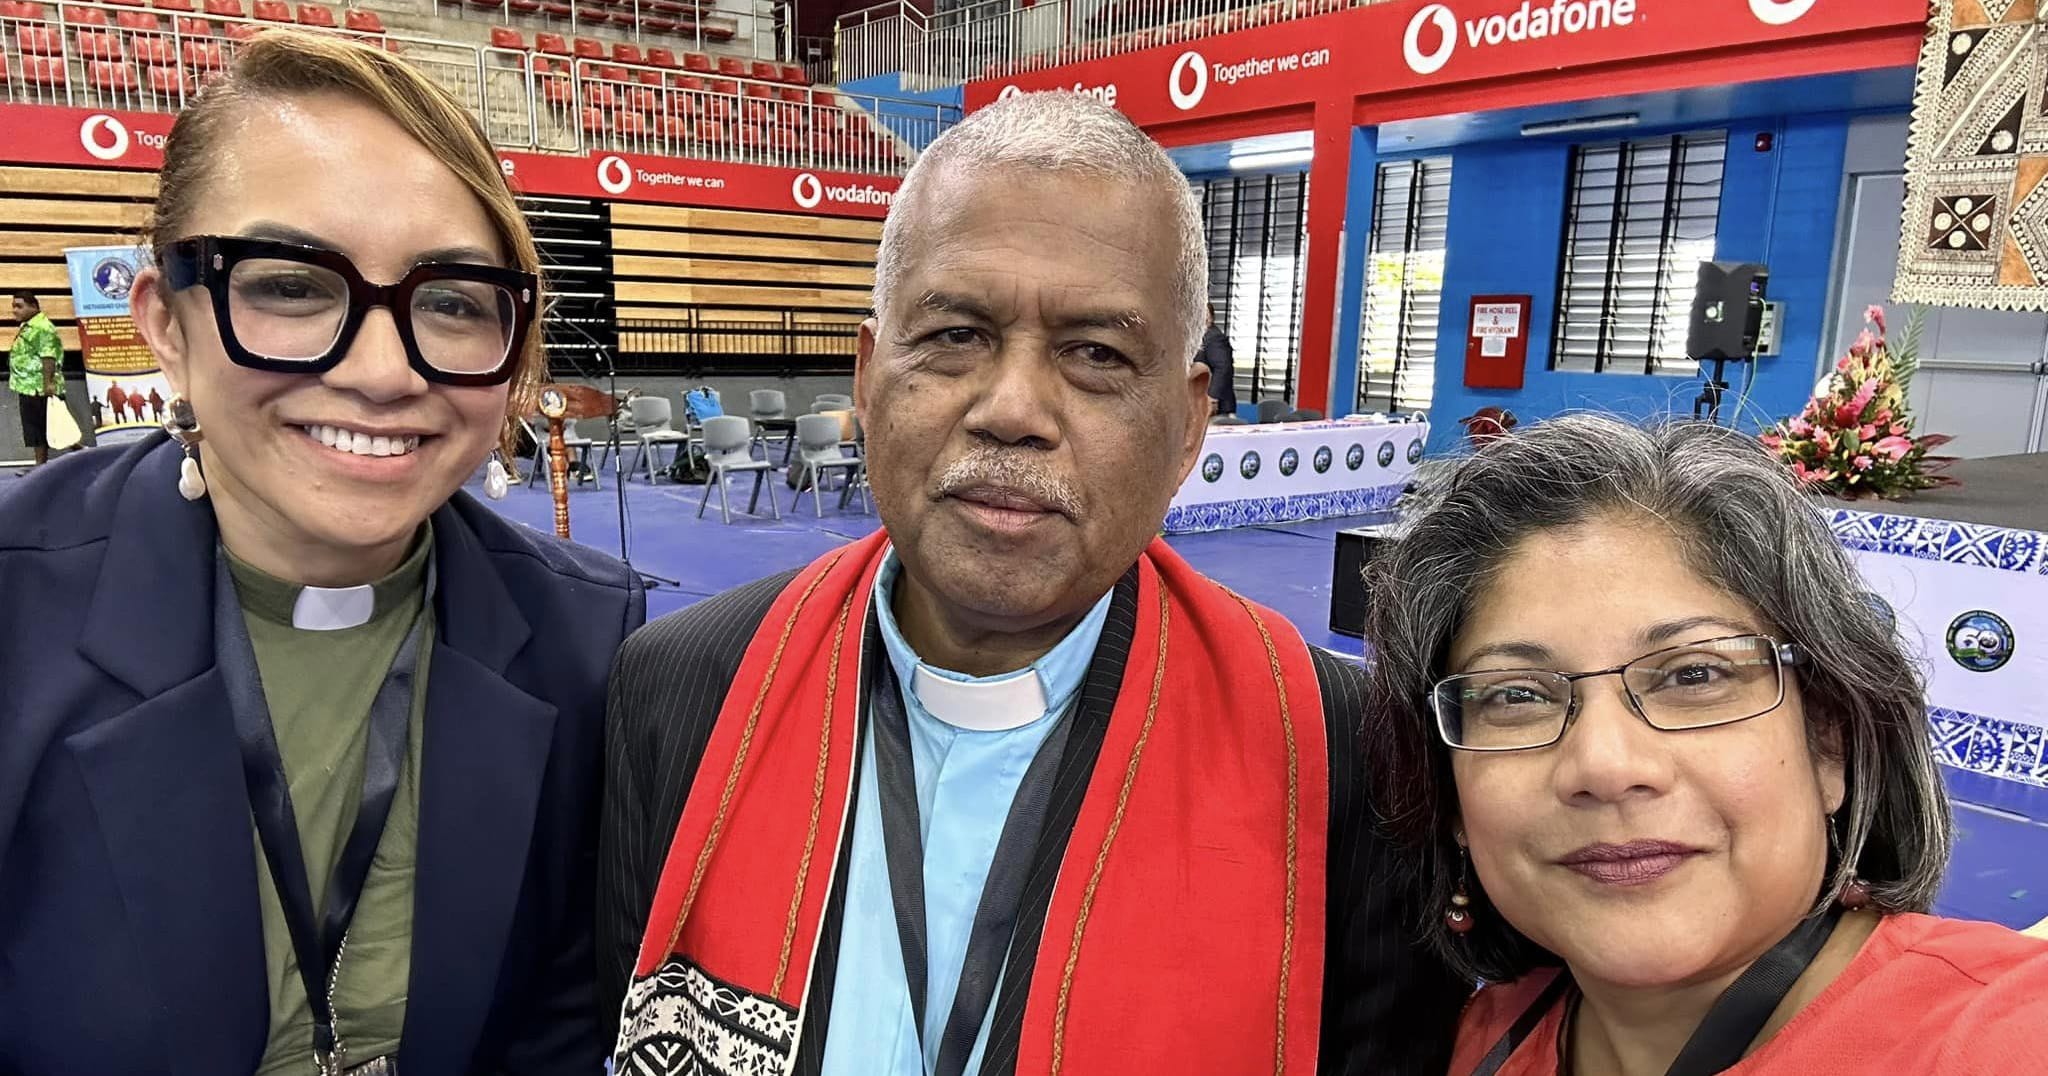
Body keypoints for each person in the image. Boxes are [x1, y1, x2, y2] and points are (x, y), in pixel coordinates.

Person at [598, 92, 1465, 1076]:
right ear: (868, 378)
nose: (1011, 409)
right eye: (956, 334)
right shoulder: (676, 691)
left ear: (1187, 428)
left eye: (1095, 353)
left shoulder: (1347, 755)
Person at [0, 31, 644, 1074]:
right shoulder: (16, 610)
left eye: (450, 302)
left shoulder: (591, 641)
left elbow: (557, 1023)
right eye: (293, 286)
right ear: (165, 321)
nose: (386, 371)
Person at [1360, 414, 2048, 1075]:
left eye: (1695, 674)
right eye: (1516, 695)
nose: (1605, 765)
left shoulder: (2002, 1036)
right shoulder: (1478, 1036)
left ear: (1829, 744)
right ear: (1448, 795)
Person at [9, 290, 64, 466]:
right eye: (13, 306)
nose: (15, 311)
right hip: (27, 385)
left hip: (38, 386)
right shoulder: (29, 325)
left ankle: (41, 466)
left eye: (19, 306)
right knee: (39, 427)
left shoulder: (42, 327)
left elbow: (48, 356)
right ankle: (40, 464)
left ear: (34, 306)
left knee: (41, 428)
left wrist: (47, 383)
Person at [1197, 302, 1237, 418]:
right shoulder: (1199, 337)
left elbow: (1223, 367)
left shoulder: (1214, 337)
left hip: (1217, 407)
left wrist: (1212, 397)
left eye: (1206, 314)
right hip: (1201, 404)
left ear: (1211, 317)